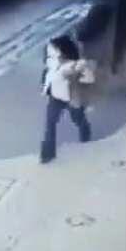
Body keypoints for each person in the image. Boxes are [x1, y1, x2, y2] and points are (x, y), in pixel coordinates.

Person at [40, 35, 92, 164]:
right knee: (50, 123)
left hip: (71, 96)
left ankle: (86, 140)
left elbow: (82, 79)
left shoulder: (72, 66)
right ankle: (47, 154)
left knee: (78, 119)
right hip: (56, 97)